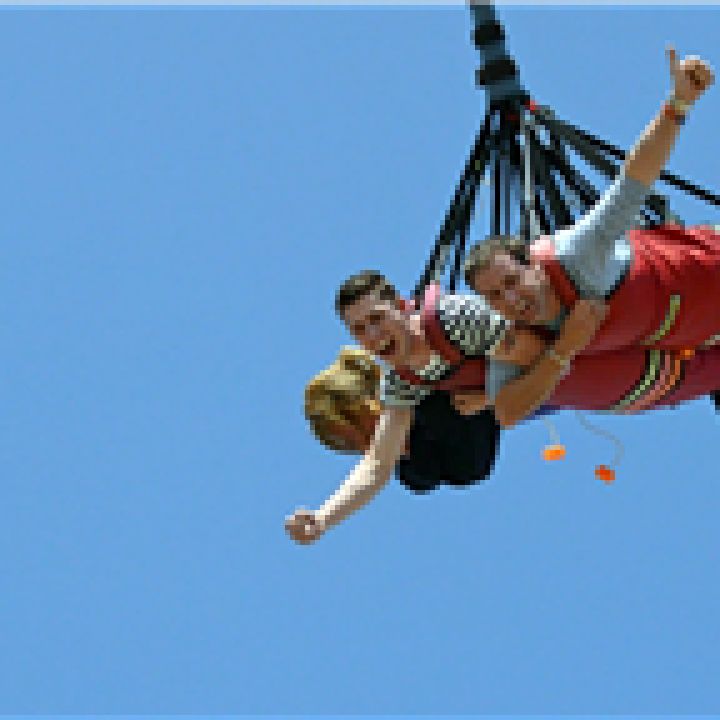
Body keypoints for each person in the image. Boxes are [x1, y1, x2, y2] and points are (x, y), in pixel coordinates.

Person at [464, 47, 718, 426]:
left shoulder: (578, 254)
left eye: (512, 282)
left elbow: (634, 180)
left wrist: (678, 104)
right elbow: (507, 412)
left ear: (534, 265)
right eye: (495, 296)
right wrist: (564, 349)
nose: (510, 299)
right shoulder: (516, 337)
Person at [286, 273, 605, 545]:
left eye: (377, 318)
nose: (372, 335)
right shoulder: (402, 383)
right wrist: (323, 518)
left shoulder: (453, 320)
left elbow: (539, 353)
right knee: (416, 475)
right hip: (521, 398)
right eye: (359, 329)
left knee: (443, 436)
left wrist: (492, 397)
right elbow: (376, 466)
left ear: (400, 306)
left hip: (560, 363)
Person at [304, 347, 503, 494]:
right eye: (358, 449)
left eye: (368, 435)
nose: (371, 448)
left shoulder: (425, 374)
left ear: (371, 401)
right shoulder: (417, 468)